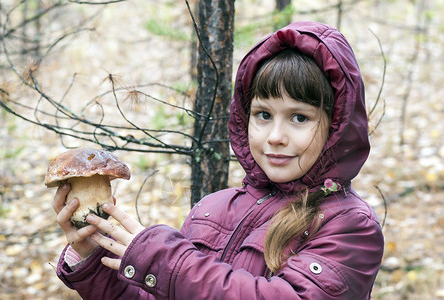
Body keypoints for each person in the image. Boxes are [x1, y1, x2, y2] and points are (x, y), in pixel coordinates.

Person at [53, 21, 384, 299]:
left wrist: (163, 259)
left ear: (337, 126)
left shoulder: (350, 227)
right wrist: (92, 258)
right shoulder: (212, 208)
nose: (275, 136)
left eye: (299, 118)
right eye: (263, 114)